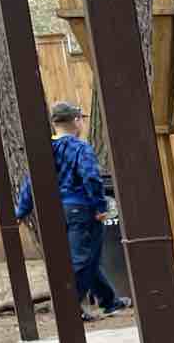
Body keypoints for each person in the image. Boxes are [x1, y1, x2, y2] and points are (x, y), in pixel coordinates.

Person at [14, 102, 131, 320]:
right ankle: (69, 308)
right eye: (81, 119)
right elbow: (91, 177)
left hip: (57, 211)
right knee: (83, 259)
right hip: (82, 209)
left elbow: (31, 182)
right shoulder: (80, 148)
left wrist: (21, 210)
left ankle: (109, 301)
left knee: (88, 256)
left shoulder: (46, 149)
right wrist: (100, 206)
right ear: (76, 121)